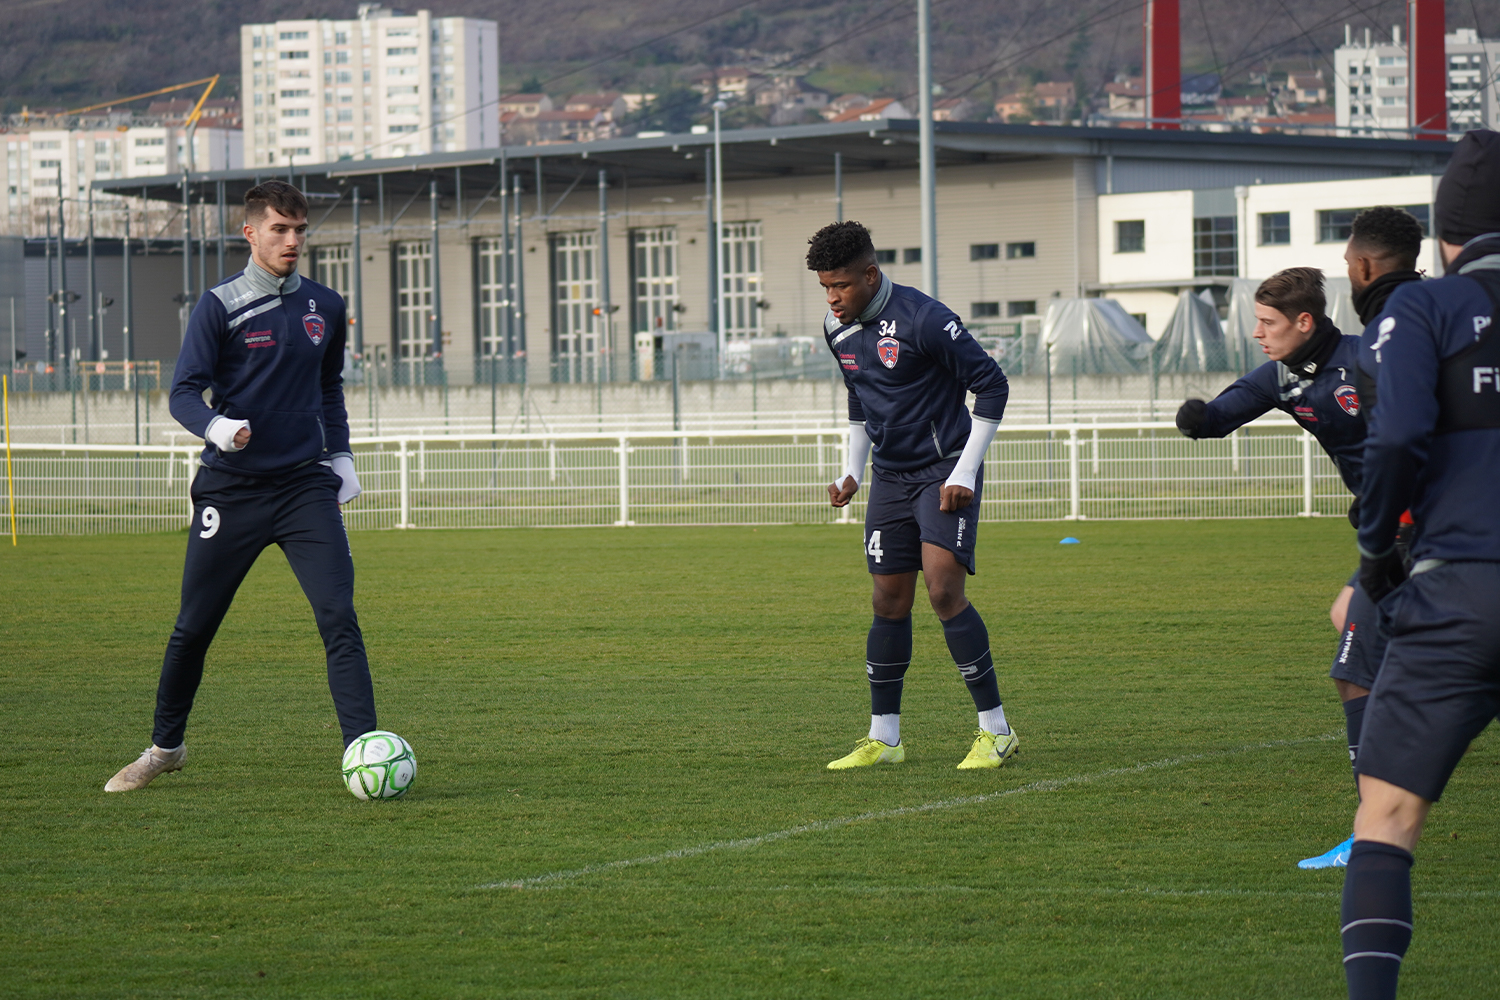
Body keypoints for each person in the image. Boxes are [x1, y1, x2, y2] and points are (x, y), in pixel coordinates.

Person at [105, 180, 377, 792]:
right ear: (249, 233)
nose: (293, 241)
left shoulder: (327, 306)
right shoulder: (219, 305)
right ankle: (164, 749)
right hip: (232, 491)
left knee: (339, 616)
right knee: (194, 626)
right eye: (280, 229)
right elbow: (182, 392)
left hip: (306, 488)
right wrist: (216, 426)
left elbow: (329, 388)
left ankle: (365, 751)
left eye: (300, 230)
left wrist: (341, 456)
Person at [1338, 130, 1500, 1000]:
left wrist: (1375, 554)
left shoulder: (1426, 305)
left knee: (1389, 814)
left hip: (1459, 588)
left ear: (1446, 235)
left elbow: (1396, 435)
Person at [1173, 266, 1374, 867]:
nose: (1257, 334)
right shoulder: (1285, 377)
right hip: (1392, 538)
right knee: (1347, 625)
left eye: (1267, 323)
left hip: (1427, 529)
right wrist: (1198, 419)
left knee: (1354, 663)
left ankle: (1375, 829)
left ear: (1304, 322)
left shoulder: (1369, 362)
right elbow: (1223, 414)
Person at [807, 220, 1015, 770]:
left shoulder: (926, 319)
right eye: (826, 287)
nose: (833, 298)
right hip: (890, 477)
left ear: (871, 275)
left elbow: (993, 386)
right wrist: (852, 471)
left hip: (945, 468)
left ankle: (996, 731)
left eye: (842, 286)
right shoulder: (836, 328)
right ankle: (885, 739)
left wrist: (965, 472)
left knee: (944, 590)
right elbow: (860, 395)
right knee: (888, 601)